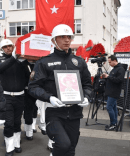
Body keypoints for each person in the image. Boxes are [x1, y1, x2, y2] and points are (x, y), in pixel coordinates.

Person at [28, 24, 92, 156]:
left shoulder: (79, 62)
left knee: (71, 148)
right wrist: (49, 97)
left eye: (69, 37)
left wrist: (86, 96)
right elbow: (33, 87)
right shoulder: (44, 62)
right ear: (53, 40)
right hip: (53, 111)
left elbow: (87, 84)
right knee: (63, 144)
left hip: (74, 112)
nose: (67, 40)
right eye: (62, 37)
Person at [0, 39, 27, 156]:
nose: (8, 48)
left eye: (10, 46)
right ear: (2, 49)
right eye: (5, 47)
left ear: (13, 47)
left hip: (20, 96)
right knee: (9, 123)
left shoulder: (21, 60)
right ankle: (9, 147)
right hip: (6, 97)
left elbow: (28, 75)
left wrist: (26, 61)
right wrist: (13, 58)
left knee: (17, 122)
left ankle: (17, 144)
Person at [101, 55, 125, 131]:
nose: (109, 64)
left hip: (114, 92)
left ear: (115, 60)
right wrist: (107, 77)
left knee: (109, 107)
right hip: (111, 91)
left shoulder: (120, 69)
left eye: (110, 62)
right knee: (113, 108)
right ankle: (114, 123)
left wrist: (108, 77)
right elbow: (113, 79)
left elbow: (119, 80)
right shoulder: (114, 69)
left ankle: (113, 124)